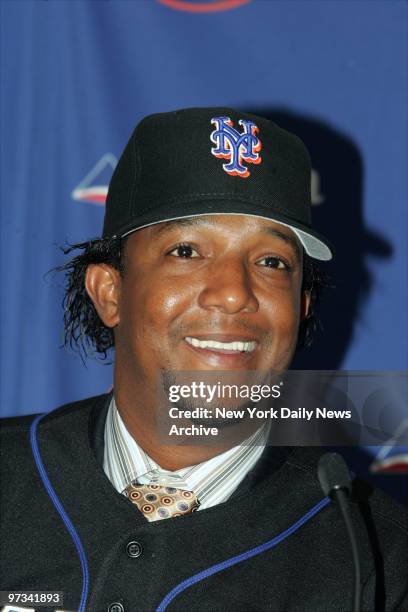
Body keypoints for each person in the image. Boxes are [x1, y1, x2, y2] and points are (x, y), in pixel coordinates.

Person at [1, 108, 407, 612]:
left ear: (301, 308)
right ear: (110, 292)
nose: (235, 294)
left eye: (271, 262)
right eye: (187, 251)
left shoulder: (376, 555)